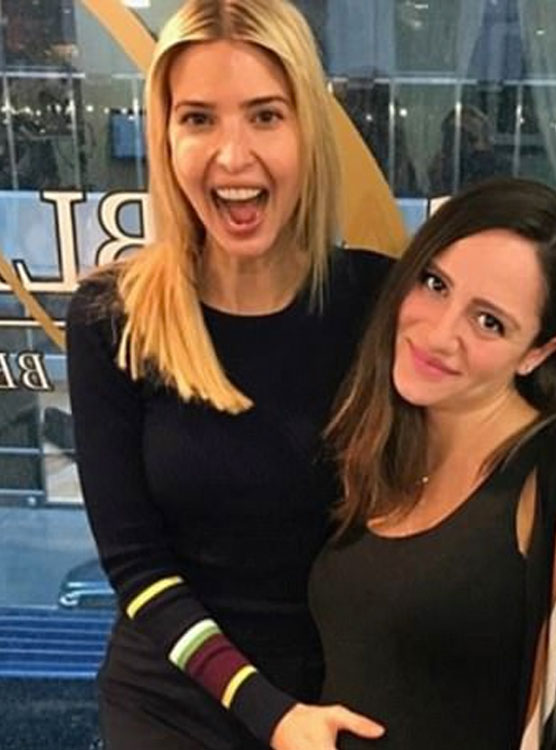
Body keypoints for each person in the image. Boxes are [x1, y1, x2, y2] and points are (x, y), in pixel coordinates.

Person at [66, 1, 390, 748]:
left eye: (265, 116)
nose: (232, 156)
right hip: (174, 700)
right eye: (198, 119)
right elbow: (137, 567)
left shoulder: (380, 305)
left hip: (341, 691)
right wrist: (269, 713)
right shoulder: (111, 319)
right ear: (165, 136)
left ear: (308, 129)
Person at [310, 177, 556, 750]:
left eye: (489, 322)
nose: (440, 334)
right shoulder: (380, 442)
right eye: (435, 284)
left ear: (538, 353)